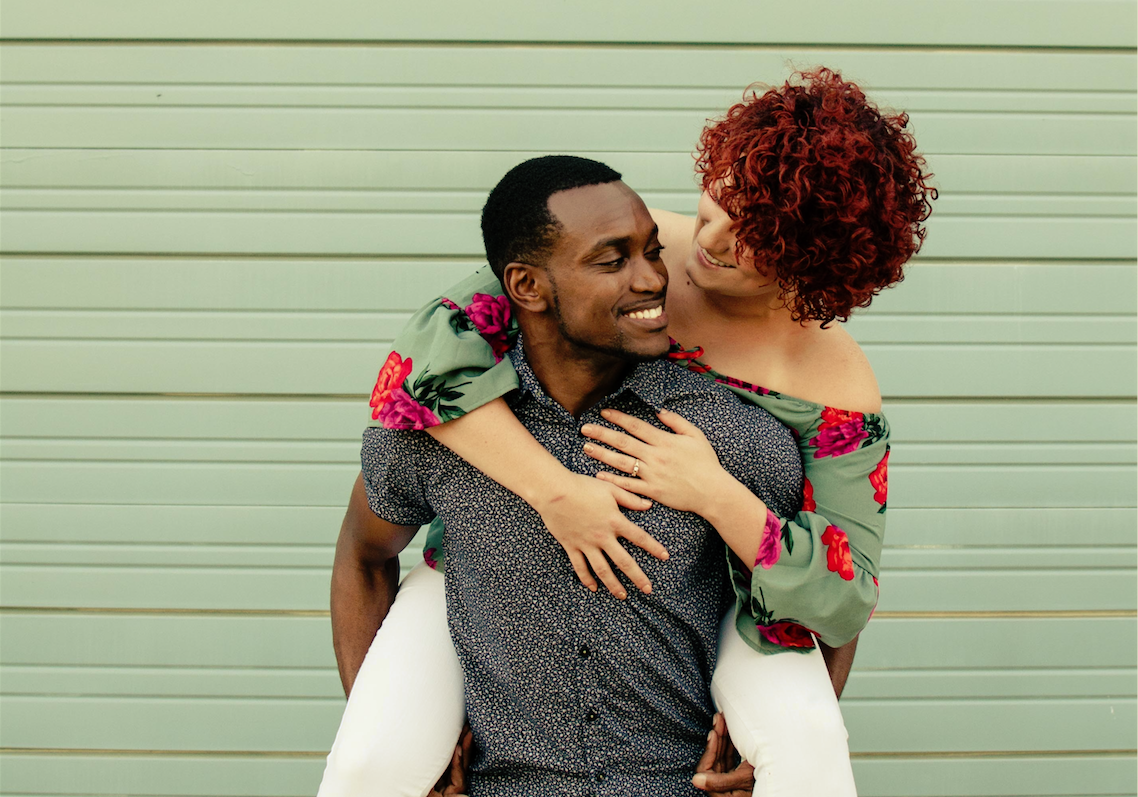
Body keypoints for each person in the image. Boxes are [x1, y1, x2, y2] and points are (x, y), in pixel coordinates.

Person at [321, 68, 935, 796]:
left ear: (811, 263)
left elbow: (841, 600)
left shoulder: (831, 384)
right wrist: (556, 493)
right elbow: (424, 365)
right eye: (721, 199)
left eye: (755, 238)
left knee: (809, 744)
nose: (708, 241)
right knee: (367, 765)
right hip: (486, 566)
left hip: (723, 585)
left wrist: (713, 492)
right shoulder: (640, 245)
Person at [327, 155, 809, 796]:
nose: (653, 280)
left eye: (653, 252)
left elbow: (813, 608)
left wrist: (770, 755)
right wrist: (393, 742)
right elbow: (363, 556)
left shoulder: (728, 437)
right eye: (612, 261)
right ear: (527, 287)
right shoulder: (438, 437)